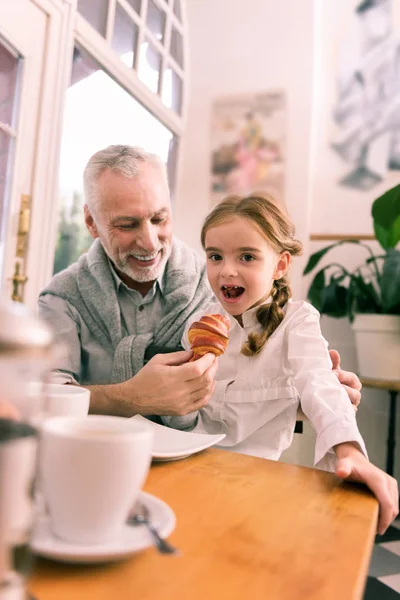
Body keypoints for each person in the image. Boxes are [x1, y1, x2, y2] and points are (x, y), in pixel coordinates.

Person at [39, 145, 361, 418]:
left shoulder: (220, 285)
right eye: (127, 224)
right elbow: (41, 399)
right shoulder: (62, 300)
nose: (150, 242)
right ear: (91, 223)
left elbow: (241, 394)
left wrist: (308, 396)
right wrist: (130, 397)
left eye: (159, 218)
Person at [162, 193, 398, 534]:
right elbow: (181, 413)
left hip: (259, 480)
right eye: (215, 256)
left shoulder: (297, 322)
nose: (227, 270)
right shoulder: (201, 326)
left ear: (280, 265)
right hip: (194, 470)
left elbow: (318, 381)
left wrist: (350, 451)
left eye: (247, 256)